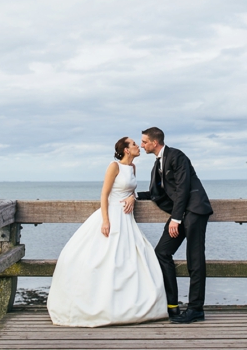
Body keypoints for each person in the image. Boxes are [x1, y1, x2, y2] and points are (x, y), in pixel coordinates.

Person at [47, 137, 166, 327]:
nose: (138, 146)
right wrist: (105, 220)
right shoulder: (114, 166)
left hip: (127, 219)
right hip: (112, 216)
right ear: (126, 150)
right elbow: (104, 194)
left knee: (130, 260)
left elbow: (131, 192)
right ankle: (99, 306)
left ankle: (127, 306)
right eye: (134, 144)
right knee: (104, 259)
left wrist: (133, 199)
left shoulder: (133, 168)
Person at [141, 127, 214, 324]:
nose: (142, 145)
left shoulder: (177, 156)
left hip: (195, 211)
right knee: (162, 252)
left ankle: (196, 309)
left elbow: (183, 188)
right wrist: (133, 196)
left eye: (144, 142)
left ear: (154, 143)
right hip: (181, 214)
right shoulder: (158, 165)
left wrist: (175, 218)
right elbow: (159, 193)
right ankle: (172, 304)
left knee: (195, 259)